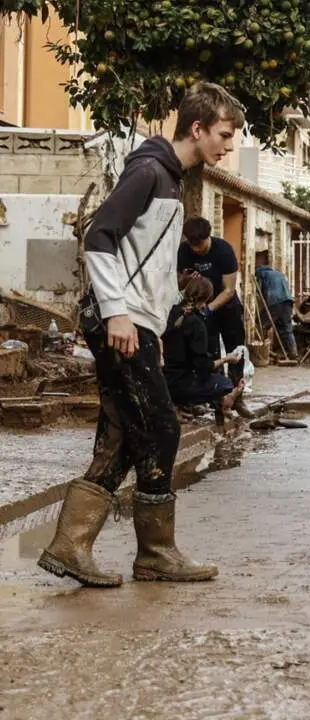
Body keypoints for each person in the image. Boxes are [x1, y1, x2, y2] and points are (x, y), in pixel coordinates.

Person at [37, 82, 241, 588]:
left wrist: (160, 316)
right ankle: (155, 553)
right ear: (197, 128)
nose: (229, 145)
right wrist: (119, 314)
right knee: (161, 428)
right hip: (119, 324)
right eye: (224, 133)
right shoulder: (150, 171)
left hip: (137, 323)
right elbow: (99, 235)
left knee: (124, 432)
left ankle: (71, 545)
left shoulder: (169, 179)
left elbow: (144, 262)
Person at [177, 216, 252, 419]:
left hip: (226, 307)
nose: (196, 250)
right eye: (192, 245)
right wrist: (184, 280)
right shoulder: (184, 251)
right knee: (208, 353)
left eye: (199, 244)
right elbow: (179, 283)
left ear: (208, 237)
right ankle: (216, 398)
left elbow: (228, 289)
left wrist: (208, 309)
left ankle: (238, 397)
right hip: (201, 306)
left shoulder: (224, 251)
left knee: (236, 351)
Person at [162, 276, 245, 423]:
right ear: (207, 298)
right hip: (179, 385)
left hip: (163, 380)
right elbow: (203, 367)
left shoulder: (170, 313)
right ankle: (223, 400)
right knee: (224, 384)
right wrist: (227, 359)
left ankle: (179, 406)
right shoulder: (196, 324)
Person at [254, 251, 297, 358]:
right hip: (287, 301)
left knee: (261, 324)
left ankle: (262, 351)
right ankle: (293, 353)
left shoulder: (260, 273)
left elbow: (259, 290)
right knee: (287, 328)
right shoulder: (279, 273)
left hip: (274, 301)